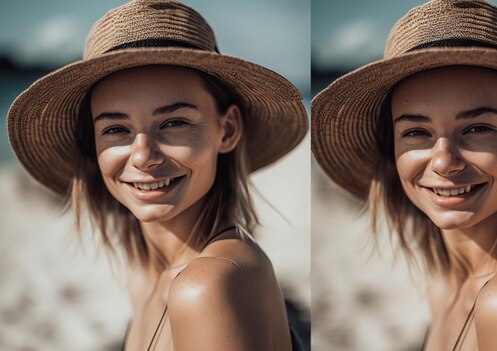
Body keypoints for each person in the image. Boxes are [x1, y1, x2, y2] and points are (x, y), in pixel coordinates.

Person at [312, 0, 497, 350]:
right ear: (392, 146)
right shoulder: (447, 281)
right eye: (415, 132)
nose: (444, 161)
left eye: (478, 128)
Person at [7, 1, 308, 350]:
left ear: (227, 130)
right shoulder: (147, 276)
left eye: (174, 122)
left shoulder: (208, 286)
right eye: (116, 129)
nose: (143, 155)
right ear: (93, 143)